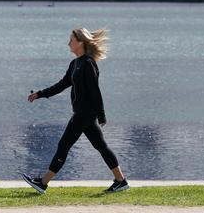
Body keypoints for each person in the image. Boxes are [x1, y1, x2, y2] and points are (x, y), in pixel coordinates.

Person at [22, 27, 129, 194]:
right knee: (101, 146)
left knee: (63, 145)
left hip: (84, 114)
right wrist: (39, 94)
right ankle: (120, 181)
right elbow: (62, 84)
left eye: (71, 40)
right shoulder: (75, 63)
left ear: (80, 42)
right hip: (83, 114)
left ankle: (43, 183)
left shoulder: (88, 63)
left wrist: (101, 115)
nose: (68, 44)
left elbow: (95, 91)